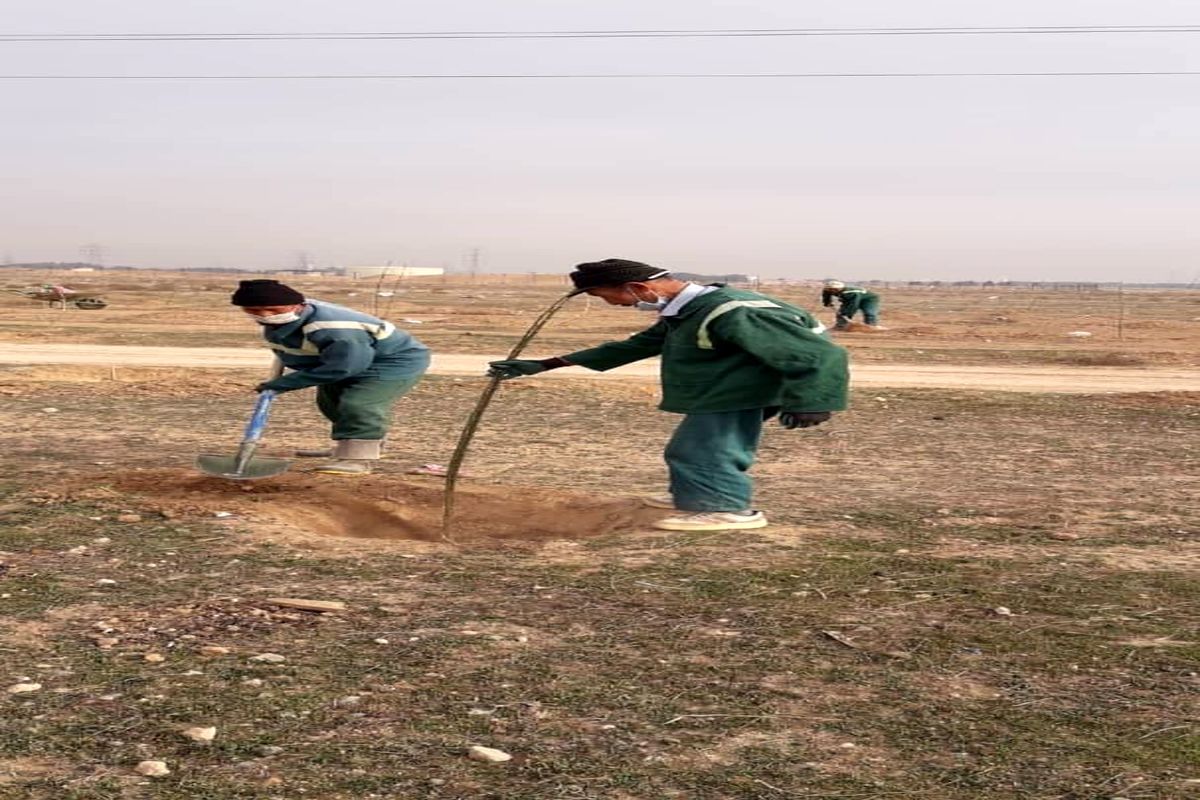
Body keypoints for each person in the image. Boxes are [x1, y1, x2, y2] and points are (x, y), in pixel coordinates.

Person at [488, 259, 849, 532]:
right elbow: (638, 346)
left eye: (606, 297)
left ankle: (726, 509)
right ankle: (694, 498)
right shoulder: (689, 310)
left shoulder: (730, 310)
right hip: (730, 384)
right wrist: (546, 364)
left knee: (704, 448)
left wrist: (815, 400)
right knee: (697, 446)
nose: (612, 305)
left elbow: (819, 354)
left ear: (637, 288)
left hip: (745, 386)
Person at [230, 279, 430, 475]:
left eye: (274, 310)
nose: (265, 315)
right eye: (254, 310)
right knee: (330, 403)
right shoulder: (287, 321)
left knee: (359, 404)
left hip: (393, 360)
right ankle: (351, 445)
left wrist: (284, 383)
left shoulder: (334, 327)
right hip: (342, 359)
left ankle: (357, 459)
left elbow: (345, 367)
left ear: (297, 305)